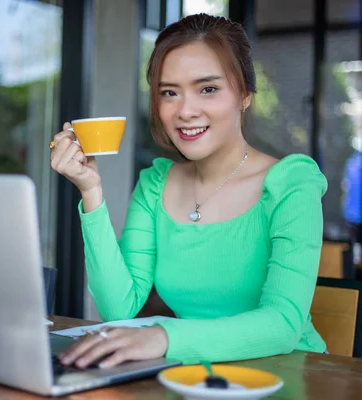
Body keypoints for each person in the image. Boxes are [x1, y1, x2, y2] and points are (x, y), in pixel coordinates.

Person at [49, 13, 327, 369]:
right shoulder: (155, 183)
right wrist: (91, 190)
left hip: (292, 376)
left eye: (207, 89)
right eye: (169, 93)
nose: (185, 111)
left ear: (244, 95)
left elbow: (283, 325)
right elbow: (119, 307)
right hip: (193, 374)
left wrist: (165, 337)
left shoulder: (291, 184)